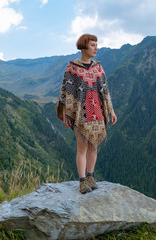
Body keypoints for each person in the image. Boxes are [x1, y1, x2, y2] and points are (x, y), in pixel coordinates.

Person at [56, 33, 117, 194]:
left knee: (94, 147)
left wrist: (110, 110)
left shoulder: (98, 68)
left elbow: (105, 91)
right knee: (82, 147)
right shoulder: (72, 68)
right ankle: (82, 181)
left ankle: (90, 177)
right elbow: (67, 92)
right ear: (83, 46)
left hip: (97, 112)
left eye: (97, 45)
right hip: (80, 114)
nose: (96, 48)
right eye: (92, 45)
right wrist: (66, 114)